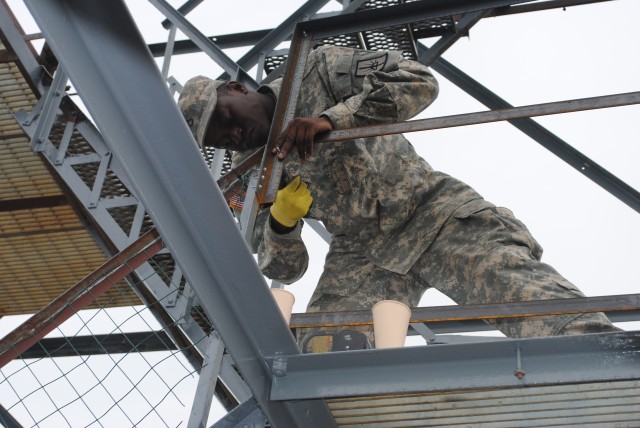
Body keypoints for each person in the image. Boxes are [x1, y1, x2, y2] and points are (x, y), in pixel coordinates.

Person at [178, 46, 619, 350]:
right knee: (326, 354)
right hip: (362, 253)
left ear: (236, 89)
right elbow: (285, 270)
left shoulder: (313, 71)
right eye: (224, 141)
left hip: (433, 212)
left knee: (549, 315)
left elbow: (417, 80)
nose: (235, 136)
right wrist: (282, 224)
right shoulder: (255, 173)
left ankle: (616, 381)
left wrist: (335, 118)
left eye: (227, 119)